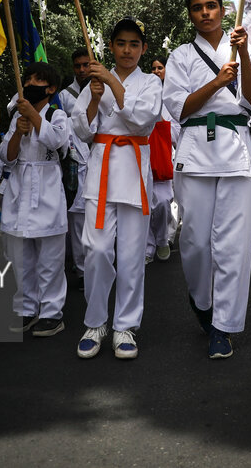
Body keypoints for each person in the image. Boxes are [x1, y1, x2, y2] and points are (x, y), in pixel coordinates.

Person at [162, 0, 251, 360]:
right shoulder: (180, 56)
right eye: (197, 7)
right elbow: (180, 108)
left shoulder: (244, 48)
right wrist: (218, 81)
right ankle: (202, 302)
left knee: (234, 245)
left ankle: (224, 326)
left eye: (211, 6)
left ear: (223, 9)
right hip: (195, 154)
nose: (205, 12)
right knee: (194, 242)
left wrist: (243, 58)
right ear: (190, 14)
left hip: (237, 151)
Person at [70, 18, 163, 360]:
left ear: (143, 48)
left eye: (134, 44)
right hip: (101, 173)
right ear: (111, 46)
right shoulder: (93, 84)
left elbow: (143, 120)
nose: (127, 50)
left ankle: (125, 325)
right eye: (121, 43)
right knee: (95, 250)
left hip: (134, 174)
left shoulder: (151, 83)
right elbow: (81, 130)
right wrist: (95, 99)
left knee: (132, 255)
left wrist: (110, 81)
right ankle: (95, 322)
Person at [0, 62, 69, 338]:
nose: (30, 83)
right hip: (20, 187)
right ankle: (27, 308)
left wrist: (33, 115)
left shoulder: (57, 115)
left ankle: (51, 313)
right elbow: (8, 155)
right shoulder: (16, 119)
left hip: (47, 188)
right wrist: (19, 131)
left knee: (50, 259)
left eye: (36, 80)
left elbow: (57, 143)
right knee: (21, 257)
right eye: (28, 79)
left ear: (51, 88)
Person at [58, 49, 95, 291]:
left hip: (101, 158)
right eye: (77, 66)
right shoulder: (63, 95)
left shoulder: (102, 90)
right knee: (78, 217)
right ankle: (82, 270)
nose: (81, 70)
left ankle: (100, 263)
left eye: (85, 65)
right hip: (75, 161)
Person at [145, 55, 178, 263]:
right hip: (142, 157)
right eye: (153, 68)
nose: (157, 71)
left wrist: (162, 124)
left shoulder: (172, 98)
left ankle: (163, 238)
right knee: (144, 206)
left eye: (160, 67)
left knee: (164, 202)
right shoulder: (144, 96)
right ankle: (148, 247)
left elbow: (177, 129)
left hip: (164, 157)